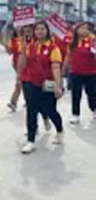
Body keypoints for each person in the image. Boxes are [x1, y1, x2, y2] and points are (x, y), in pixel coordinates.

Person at [18, 20, 64, 153]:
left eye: (42, 29)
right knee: (31, 111)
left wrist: (58, 86)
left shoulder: (53, 48)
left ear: (47, 31)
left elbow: (55, 67)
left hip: (48, 84)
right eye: (37, 29)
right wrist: (24, 50)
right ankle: (31, 140)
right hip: (31, 83)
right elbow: (23, 64)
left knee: (50, 110)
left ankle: (60, 130)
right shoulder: (29, 46)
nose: (39, 31)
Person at [67, 21, 96, 124]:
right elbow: (68, 56)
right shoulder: (72, 42)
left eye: (86, 28)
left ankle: (94, 108)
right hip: (75, 72)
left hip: (91, 73)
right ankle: (75, 114)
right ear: (77, 30)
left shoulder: (92, 41)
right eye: (81, 28)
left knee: (92, 93)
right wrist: (63, 70)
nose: (83, 30)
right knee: (75, 94)